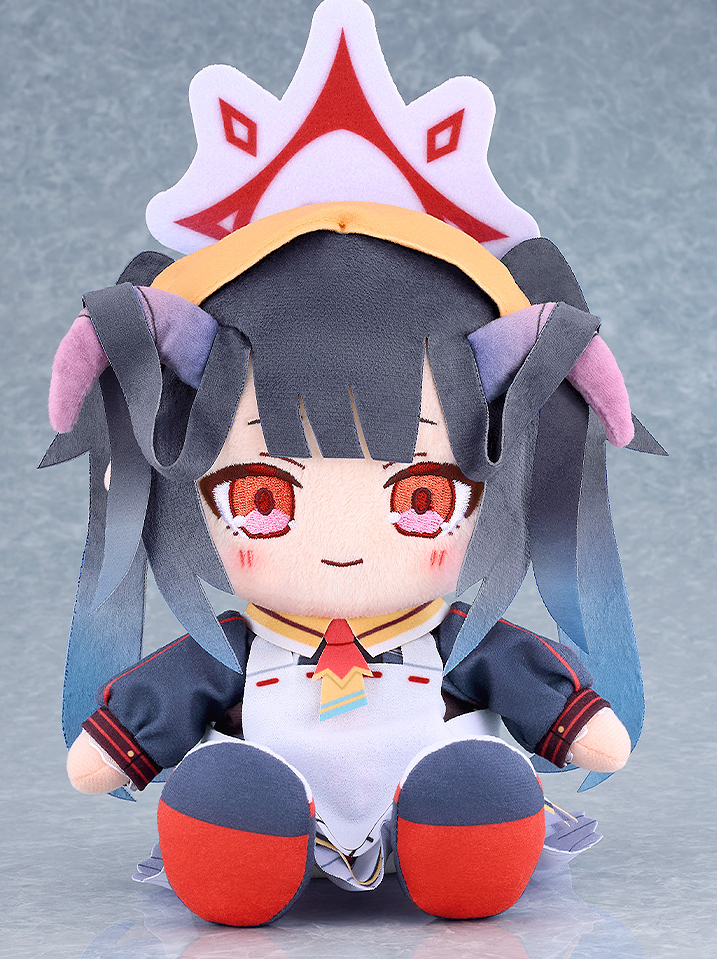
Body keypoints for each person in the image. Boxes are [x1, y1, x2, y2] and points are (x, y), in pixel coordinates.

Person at [46, 202, 661, 926]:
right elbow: (170, 693)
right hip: (279, 816)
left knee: (475, 783)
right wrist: (122, 744)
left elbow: (526, 678)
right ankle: (238, 842)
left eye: (422, 497)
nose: (344, 545)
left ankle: (467, 837)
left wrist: (574, 720)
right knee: (227, 790)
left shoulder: (454, 638)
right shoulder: (236, 648)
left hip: (427, 809)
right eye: (263, 497)